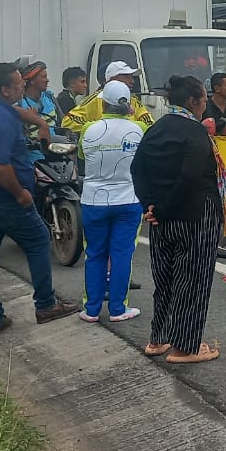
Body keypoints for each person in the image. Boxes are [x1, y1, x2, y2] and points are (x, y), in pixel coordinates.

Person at [0, 63, 80, 335]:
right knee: (40, 239)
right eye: (18, 84)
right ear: (6, 89)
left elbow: (13, 110)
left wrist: (39, 121)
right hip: (2, 196)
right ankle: (45, 304)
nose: (22, 86)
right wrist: (20, 194)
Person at [133, 75, 226, 364]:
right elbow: (189, 178)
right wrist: (162, 208)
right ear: (192, 101)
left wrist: (150, 205)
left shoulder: (155, 129)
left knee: (166, 279)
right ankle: (186, 346)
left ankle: (158, 338)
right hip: (194, 215)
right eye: (202, 100)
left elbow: (138, 168)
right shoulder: (195, 133)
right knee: (193, 280)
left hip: (162, 218)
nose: (204, 105)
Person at [77, 81, 147, 323]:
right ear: (128, 105)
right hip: (129, 200)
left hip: (93, 201)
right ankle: (118, 309)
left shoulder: (88, 129)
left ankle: (91, 310)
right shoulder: (139, 128)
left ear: (102, 103)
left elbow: (82, 156)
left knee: (94, 254)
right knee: (121, 255)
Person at [64, 61, 155, 132]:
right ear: (112, 79)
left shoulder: (133, 100)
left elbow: (149, 123)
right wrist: (96, 129)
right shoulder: (96, 98)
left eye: (132, 77)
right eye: (127, 77)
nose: (132, 81)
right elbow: (68, 121)